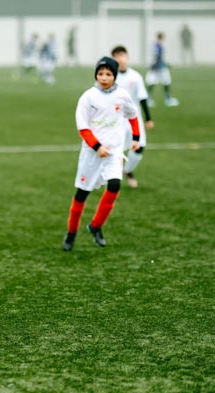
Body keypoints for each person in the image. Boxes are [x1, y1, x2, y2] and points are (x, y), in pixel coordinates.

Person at [63, 57, 140, 251]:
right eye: (100, 74)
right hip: (92, 153)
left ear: (115, 76)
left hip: (114, 152)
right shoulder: (88, 97)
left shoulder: (122, 95)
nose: (104, 78)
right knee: (82, 193)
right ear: (96, 75)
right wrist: (97, 146)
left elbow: (133, 115)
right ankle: (71, 233)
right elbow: (83, 127)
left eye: (108, 74)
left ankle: (96, 226)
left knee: (114, 185)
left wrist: (136, 138)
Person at [111, 45, 154, 188]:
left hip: (134, 118)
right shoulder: (109, 76)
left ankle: (128, 171)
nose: (120, 59)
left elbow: (143, 97)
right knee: (114, 149)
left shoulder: (135, 77)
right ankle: (111, 178)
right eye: (116, 56)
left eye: (122, 55)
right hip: (115, 120)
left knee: (139, 146)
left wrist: (148, 119)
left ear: (127, 57)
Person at [146, 32, 179, 107]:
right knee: (166, 82)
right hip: (159, 68)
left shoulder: (154, 45)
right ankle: (168, 99)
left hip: (153, 67)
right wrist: (167, 65)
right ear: (161, 38)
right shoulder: (159, 46)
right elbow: (158, 58)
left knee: (152, 82)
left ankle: (149, 99)